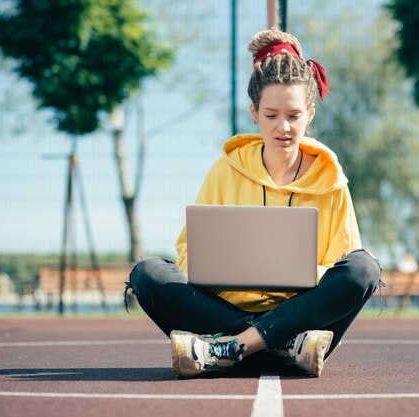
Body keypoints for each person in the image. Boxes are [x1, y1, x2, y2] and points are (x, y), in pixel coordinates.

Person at [125, 27, 382, 379]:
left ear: (310, 114)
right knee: (147, 274)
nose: (283, 127)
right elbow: (189, 252)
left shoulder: (332, 180)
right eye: (271, 115)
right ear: (254, 114)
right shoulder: (224, 170)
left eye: (293, 116)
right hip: (263, 325)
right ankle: (278, 347)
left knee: (364, 268)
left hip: (302, 317)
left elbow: (344, 265)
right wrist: (218, 273)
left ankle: (226, 349)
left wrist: (302, 275)